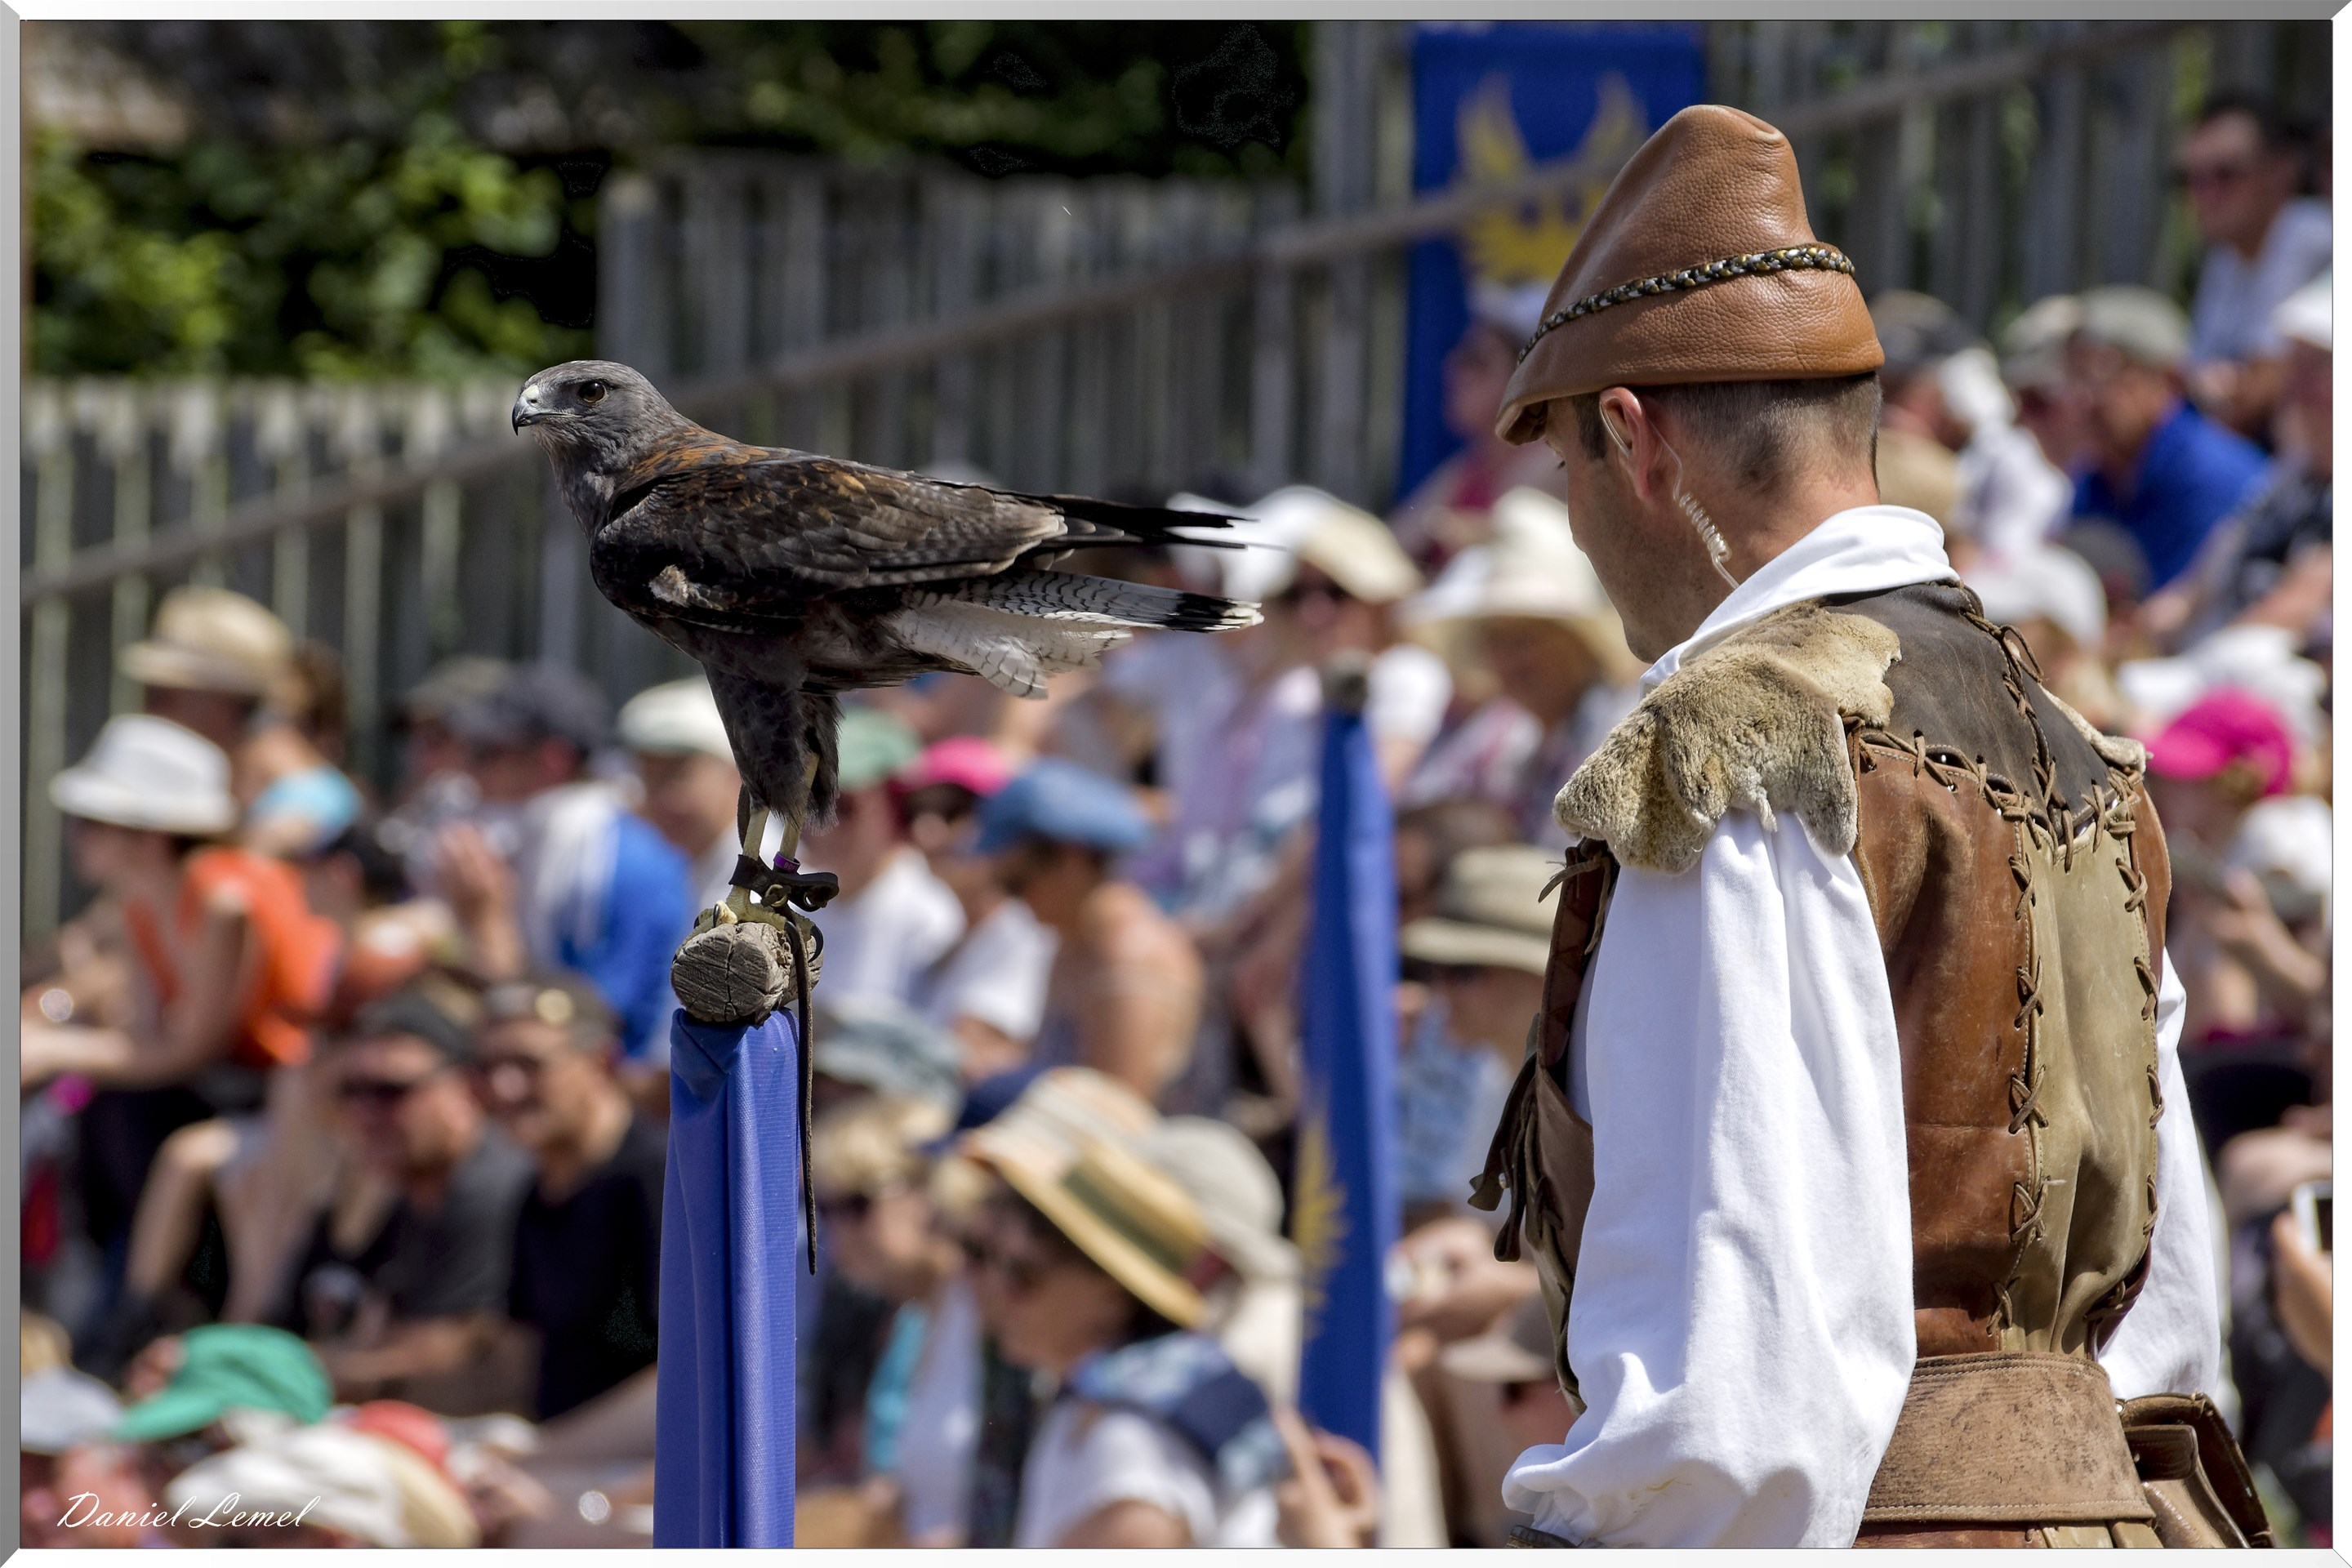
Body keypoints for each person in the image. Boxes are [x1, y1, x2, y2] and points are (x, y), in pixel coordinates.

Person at [1476, 103, 2241, 1546]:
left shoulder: (1729, 751)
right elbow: (2168, 1309)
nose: (1573, 522)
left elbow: (1734, 1398)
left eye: (1564, 466)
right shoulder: (2076, 747)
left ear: (1634, 440)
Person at [21, 715, 341, 1287]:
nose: (76, 837)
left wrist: (50, 1049)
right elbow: (146, 1037)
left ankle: (139, 1308)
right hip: (229, 1083)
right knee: (106, 1109)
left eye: (92, 823)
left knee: (130, 1116)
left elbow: (192, 1048)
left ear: (150, 836)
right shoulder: (137, 903)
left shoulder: (222, 900)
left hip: (286, 1085)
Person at [958, 1102, 1285, 1548]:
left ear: (1111, 1295)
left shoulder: (1131, 1435)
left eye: (1024, 1274)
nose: (997, 1291)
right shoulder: (1114, 1399)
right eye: (993, 1262)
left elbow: (1136, 1533)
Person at [281, 983, 535, 1414]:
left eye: (391, 1092)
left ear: (467, 1091)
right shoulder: (407, 1186)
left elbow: (439, 1357)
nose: (365, 1113)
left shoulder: (492, 1186)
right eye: (353, 1091)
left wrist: (284, 1370)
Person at [432, 662, 691, 1062]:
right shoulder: (545, 837)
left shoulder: (620, 857)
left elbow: (591, 1024)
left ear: (553, 761)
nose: (469, 771)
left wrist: (488, 929)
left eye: (487, 753)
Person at [1401, 489, 1641, 844]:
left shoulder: (1620, 728)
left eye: (1525, 640)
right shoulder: (1509, 734)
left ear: (1578, 645)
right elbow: (1420, 805)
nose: (1507, 662)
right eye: (1494, 641)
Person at [474, 974, 665, 1420]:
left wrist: (542, 1461)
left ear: (600, 1061)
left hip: (637, 1470)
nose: (504, 1088)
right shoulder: (536, 1194)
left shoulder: (658, 1178)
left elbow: (689, 1377)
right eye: (487, 1068)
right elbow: (519, 1362)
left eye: (528, 1064)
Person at [978, 760, 1203, 1101]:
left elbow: (1118, 1112)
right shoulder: (1072, 945)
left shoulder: (1128, 953)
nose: (1016, 903)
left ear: (1073, 860)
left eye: (1016, 884)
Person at [2142, 272, 2333, 653]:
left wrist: (2196, 671)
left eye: (2319, 366)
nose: (2298, 387)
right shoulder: (2288, 475)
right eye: (2296, 365)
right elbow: (2204, 579)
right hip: (2220, 655)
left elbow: (2301, 605)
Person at [119, 586, 363, 860]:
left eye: (165, 696)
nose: (151, 711)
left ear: (222, 703)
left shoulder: (305, 809)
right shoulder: (238, 784)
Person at [2065, 284, 2270, 591]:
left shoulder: (2211, 478)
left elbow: (2162, 619)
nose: (2085, 398)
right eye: (2075, 375)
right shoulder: (2096, 477)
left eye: (2103, 374)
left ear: (2167, 382)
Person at [900, 737, 1058, 1080]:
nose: (926, 831)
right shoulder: (944, 932)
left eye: (953, 810)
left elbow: (969, 1059)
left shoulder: (1025, 933)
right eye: (915, 812)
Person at [2179, 94, 2333, 437]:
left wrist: (2212, 390)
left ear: (2282, 171)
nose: (2206, 194)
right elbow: (2195, 377)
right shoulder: (2226, 256)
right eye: (2191, 179)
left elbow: (2259, 395)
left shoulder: (2306, 232)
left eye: (2226, 175)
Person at [1390, 292, 1579, 570]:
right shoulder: (1470, 468)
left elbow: (1511, 533)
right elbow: (1390, 546)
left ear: (1526, 380)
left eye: (1475, 360)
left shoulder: (1556, 461)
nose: (1452, 368)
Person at [801, 706, 966, 1010]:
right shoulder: (792, 908)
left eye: (845, 808)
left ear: (897, 810)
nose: (820, 828)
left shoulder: (931, 921)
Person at [616, 675, 750, 912]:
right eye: (650, 780)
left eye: (678, 777)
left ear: (737, 774)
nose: (662, 799)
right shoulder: (691, 871)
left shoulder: (765, 889)